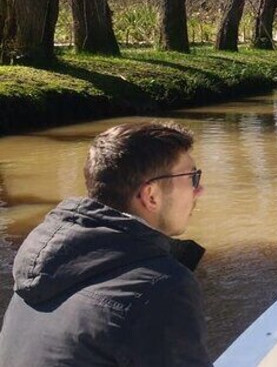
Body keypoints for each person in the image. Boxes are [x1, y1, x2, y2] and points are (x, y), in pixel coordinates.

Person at [0, 121, 211, 366]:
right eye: (192, 178)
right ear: (151, 195)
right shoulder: (160, 287)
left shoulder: (40, 265)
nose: (200, 190)